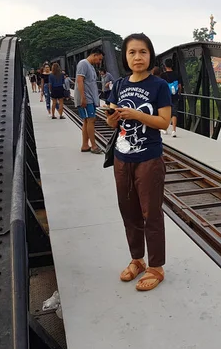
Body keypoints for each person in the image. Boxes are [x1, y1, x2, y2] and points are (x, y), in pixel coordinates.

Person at [106, 33, 171, 292]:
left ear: (150, 55)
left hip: (149, 158)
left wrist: (136, 114)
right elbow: (112, 119)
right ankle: (137, 259)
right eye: (132, 52)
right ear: (125, 56)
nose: (137, 57)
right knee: (128, 211)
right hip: (122, 158)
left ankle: (156, 266)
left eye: (142, 52)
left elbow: (164, 122)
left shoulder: (159, 86)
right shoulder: (120, 85)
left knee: (150, 213)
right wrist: (113, 118)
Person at [74, 48, 104, 154]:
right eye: (99, 59)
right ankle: (94, 146)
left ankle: (85, 145)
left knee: (87, 121)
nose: (99, 62)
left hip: (90, 97)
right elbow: (79, 80)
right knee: (91, 119)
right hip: (86, 98)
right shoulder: (83, 63)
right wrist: (83, 97)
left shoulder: (90, 66)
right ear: (95, 55)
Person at [160, 59, 182, 137]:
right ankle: (173, 131)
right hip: (175, 95)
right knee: (174, 113)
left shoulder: (163, 75)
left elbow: (161, 87)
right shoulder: (177, 74)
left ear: (165, 66)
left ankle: (165, 129)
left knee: (167, 112)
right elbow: (179, 86)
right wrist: (179, 93)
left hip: (166, 96)